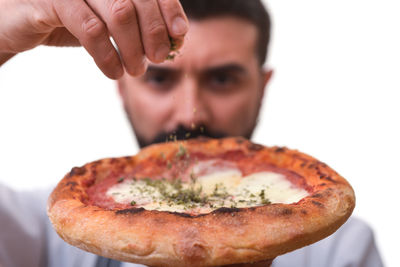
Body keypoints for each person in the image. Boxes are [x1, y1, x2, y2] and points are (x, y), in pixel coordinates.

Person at [0, 0, 384, 266]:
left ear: (263, 87)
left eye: (222, 79)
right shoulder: (40, 232)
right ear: (123, 88)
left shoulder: (340, 250)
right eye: (161, 79)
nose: (190, 113)